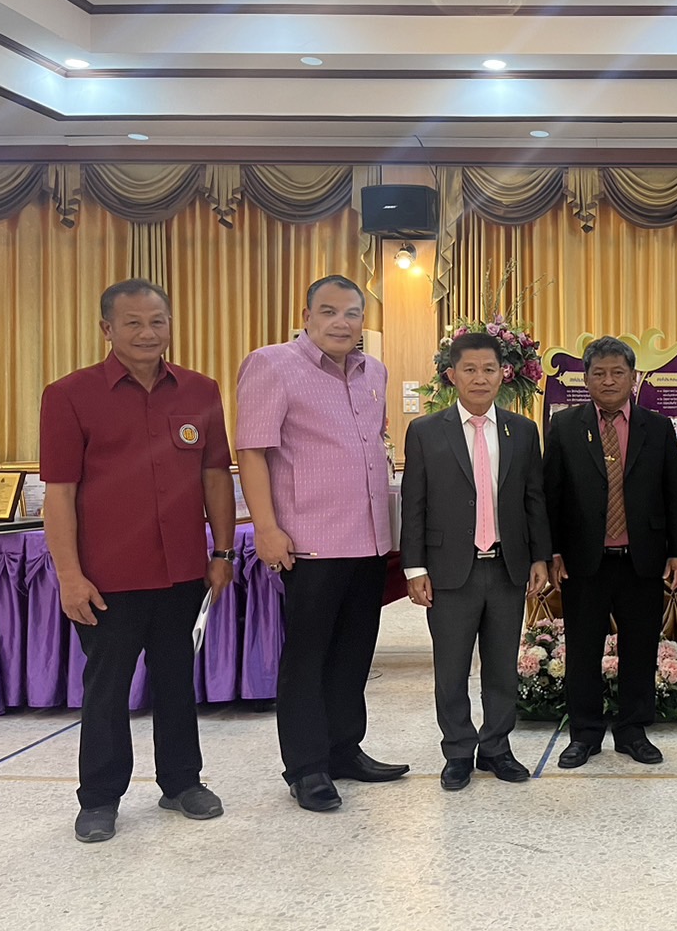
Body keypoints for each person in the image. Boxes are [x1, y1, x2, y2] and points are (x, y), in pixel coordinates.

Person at [40, 279, 234, 843]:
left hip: (182, 572)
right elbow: (60, 494)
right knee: (107, 690)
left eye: (158, 321)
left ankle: (182, 782)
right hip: (107, 578)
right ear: (107, 329)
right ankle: (100, 798)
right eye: (133, 323)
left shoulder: (200, 390)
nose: (148, 333)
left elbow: (215, 475)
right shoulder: (69, 395)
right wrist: (69, 576)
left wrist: (222, 551)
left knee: (177, 682)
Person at [236, 275, 407, 812]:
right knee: (307, 658)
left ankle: (344, 750)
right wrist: (266, 527)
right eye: (329, 311)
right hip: (309, 541)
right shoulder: (271, 365)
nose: (341, 322)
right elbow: (252, 451)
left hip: (369, 539)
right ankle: (306, 767)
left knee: (354, 653)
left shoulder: (374, 370)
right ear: (305, 315)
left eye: (352, 313)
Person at [401, 332, 552, 789]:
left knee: (502, 666)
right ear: (452, 375)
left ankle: (496, 748)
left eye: (489, 369)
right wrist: (414, 567)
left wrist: (540, 557)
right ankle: (457, 751)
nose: (480, 378)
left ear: (504, 374)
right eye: (470, 369)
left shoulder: (521, 431)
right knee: (451, 669)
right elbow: (414, 504)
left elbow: (534, 499)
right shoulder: (426, 431)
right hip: (450, 571)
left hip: (507, 568)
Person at [544, 337, 677, 769]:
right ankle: (585, 734)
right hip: (583, 561)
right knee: (583, 650)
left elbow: (674, 494)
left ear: (633, 377)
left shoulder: (657, 427)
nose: (608, 381)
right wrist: (552, 550)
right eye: (599, 373)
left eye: (617, 372)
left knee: (640, 648)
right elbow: (552, 494)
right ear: (586, 379)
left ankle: (632, 731)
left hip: (641, 559)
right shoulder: (564, 426)